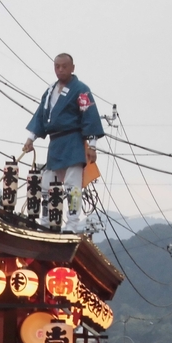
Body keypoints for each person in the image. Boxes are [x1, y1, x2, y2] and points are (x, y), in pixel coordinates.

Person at [21, 53, 104, 229]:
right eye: (57, 66)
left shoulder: (81, 89)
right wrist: (31, 138)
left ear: (72, 68)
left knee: (72, 186)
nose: (60, 70)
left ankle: (72, 225)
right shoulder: (50, 90)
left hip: (73, 141)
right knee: (48, 185)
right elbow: (40, 116)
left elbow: (89, 116)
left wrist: (93, 145)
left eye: (64, 66)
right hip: (55, 143)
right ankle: (46, 222)